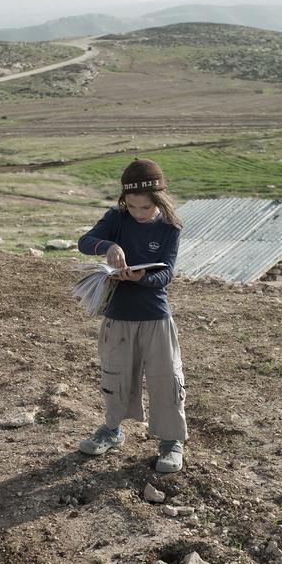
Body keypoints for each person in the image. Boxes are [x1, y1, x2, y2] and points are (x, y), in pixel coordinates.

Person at [76, 158, 187, 472]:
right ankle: (112, 431)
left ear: (160, 200)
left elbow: (165, 275)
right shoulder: (117, 217)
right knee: (115, 374)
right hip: (118, 314)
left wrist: (141, 278)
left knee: (166, 379)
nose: (138, 213)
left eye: (146, 208)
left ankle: (171, 442)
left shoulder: (170, 227)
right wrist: (108, 245)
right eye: (132, 206)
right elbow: (84, 242)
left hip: (155, 316)